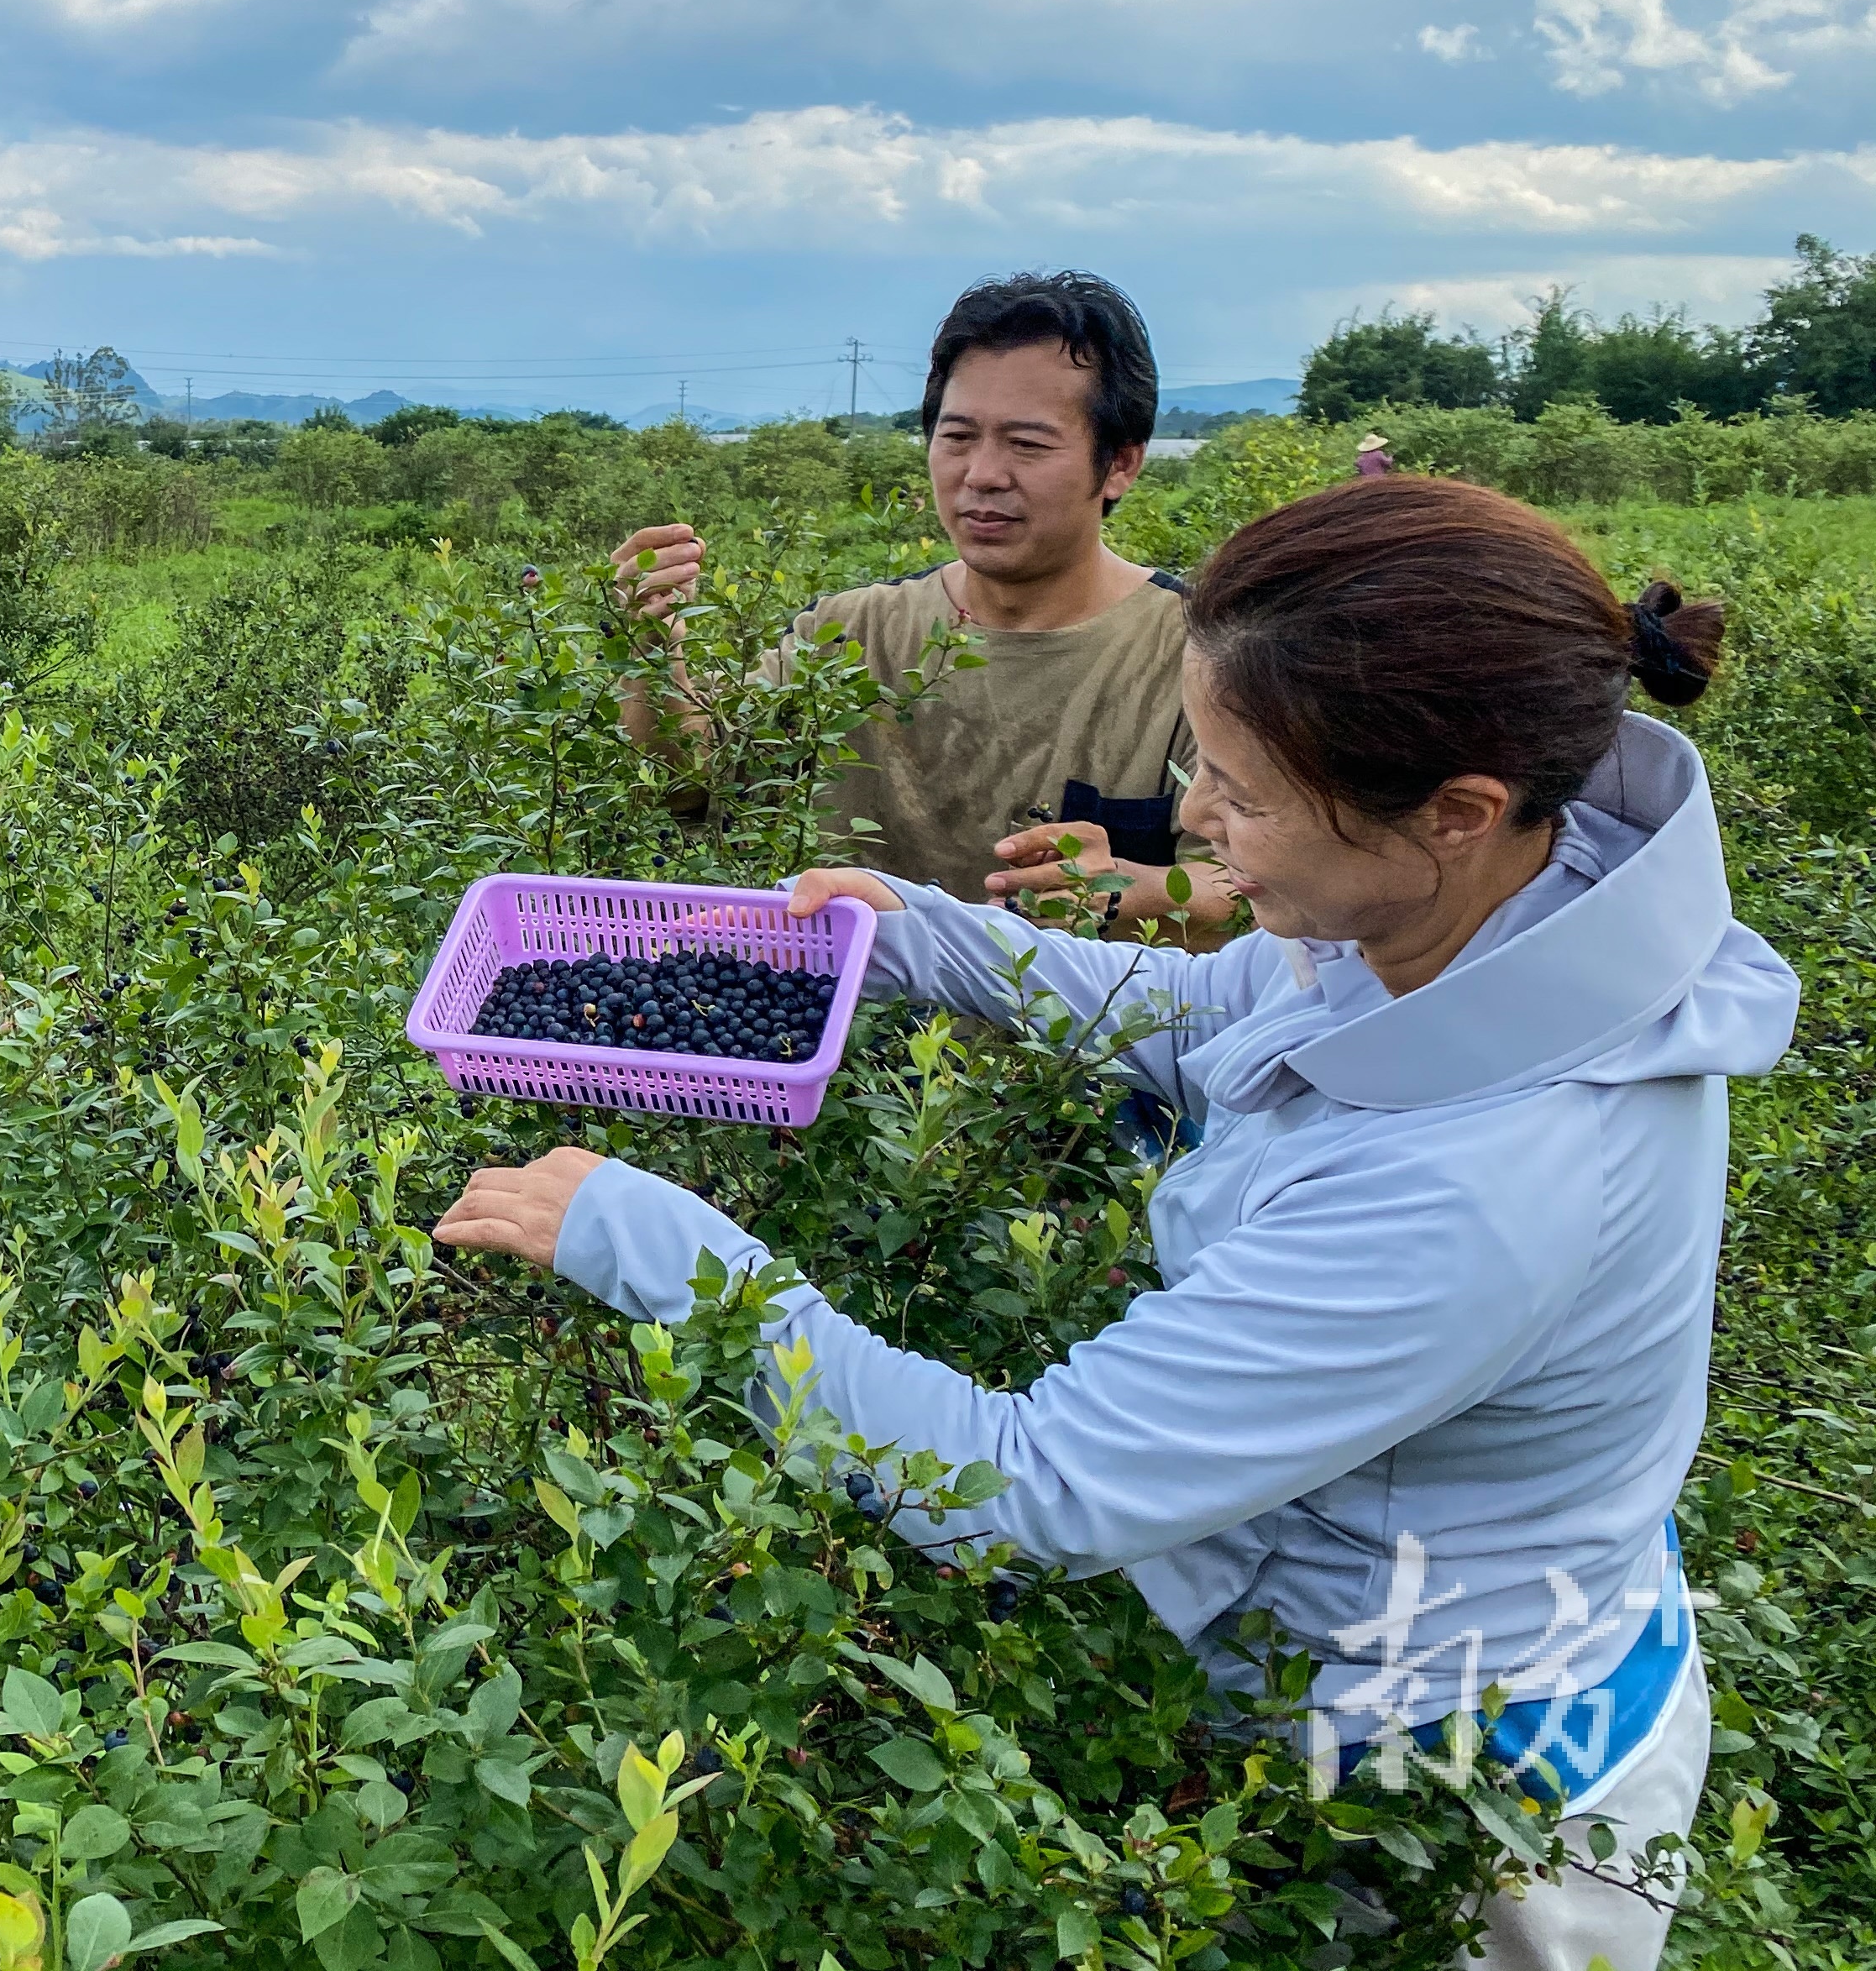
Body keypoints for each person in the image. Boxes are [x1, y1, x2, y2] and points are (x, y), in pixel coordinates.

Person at [438, 477, 1793, 1971]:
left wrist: (665, 1249)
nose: (1198, 823)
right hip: (1358, 1624)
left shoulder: (1484, 1186)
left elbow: (1028, 1485)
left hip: (1458, 1779)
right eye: (1202, 763)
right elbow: (1213, 1003)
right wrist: (917, 931)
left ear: (1454, 810)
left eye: (1245, 791)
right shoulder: (1487, 906)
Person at [615, 274, 1230, 929]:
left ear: (1122, 465)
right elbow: (690, 785)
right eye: (958, 437)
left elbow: (1250, 886)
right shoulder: (849, 633)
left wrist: (1129, 892)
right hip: (850, 1026)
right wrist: (652, 648)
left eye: (1027, 444)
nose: (983, 474)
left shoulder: (1207, 653)